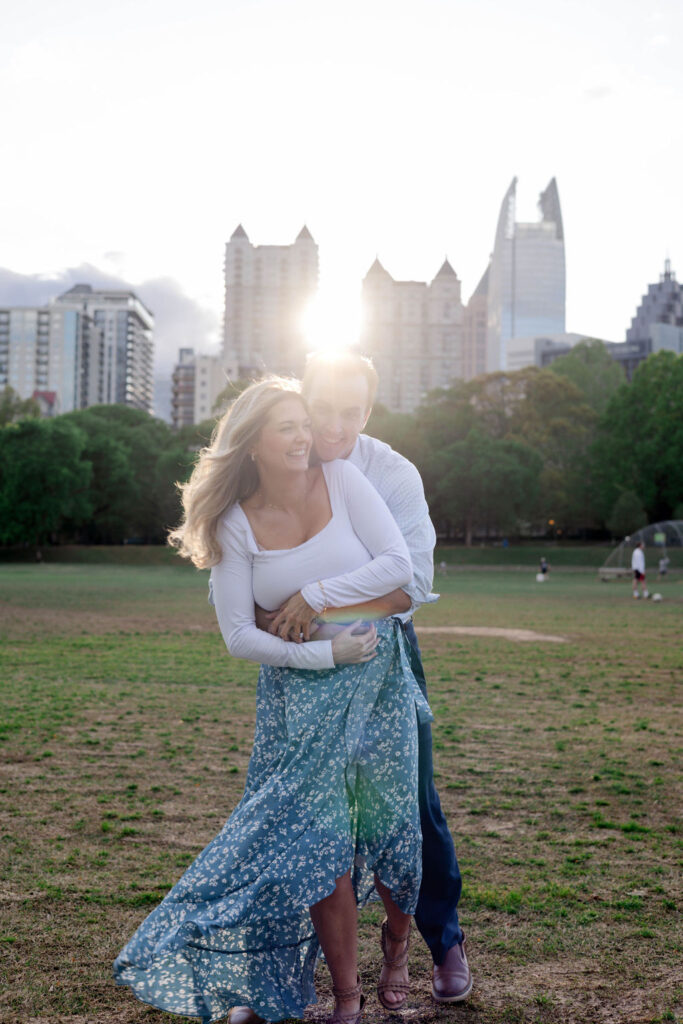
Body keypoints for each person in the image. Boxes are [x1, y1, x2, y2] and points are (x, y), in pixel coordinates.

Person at [113, 377, 432, 1024]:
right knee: (318, 845)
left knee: (394, 832)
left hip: (378, 686)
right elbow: (239, 637)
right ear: (252, 442)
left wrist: (313, 597)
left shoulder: (343, 481)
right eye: (287, 426)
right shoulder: (233, 524)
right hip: (299, 697)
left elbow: (398, 567)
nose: (303, 437)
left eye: (303, 425)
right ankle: (344, 994)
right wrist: (322, 652)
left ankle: (397, 947)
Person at [247, 351, 470, 1012]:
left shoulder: (391, 473)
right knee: (289, 816)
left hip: (382, 658)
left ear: (369, 411)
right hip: (300, 668)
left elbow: (412, 585)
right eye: (324, 407)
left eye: (353, 410)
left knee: (410, 809)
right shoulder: (280, 461)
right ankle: (273, 973)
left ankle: (438, 941)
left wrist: (314, 601)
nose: (336, 425)